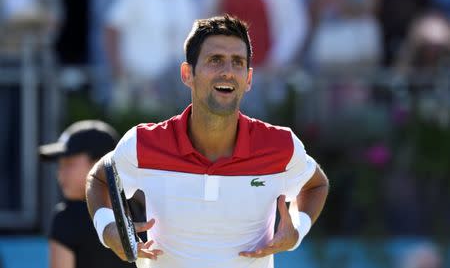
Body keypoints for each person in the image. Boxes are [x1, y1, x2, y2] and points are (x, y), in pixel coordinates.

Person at [86, 15, 329, 268]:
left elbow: (315, 185)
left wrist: (297, 231)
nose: (227, 72)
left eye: (238, 62)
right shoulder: (142, 143)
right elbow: (98, 179)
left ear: (248, 79)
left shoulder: (281, 145)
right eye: (215, 60)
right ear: (187, 73)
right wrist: (110, 230)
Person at [39, 120, 136, 268]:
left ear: (99, 164)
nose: (60, 173)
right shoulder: (143, 208)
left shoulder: (66, 218)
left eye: (69, 163)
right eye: (59, 165)